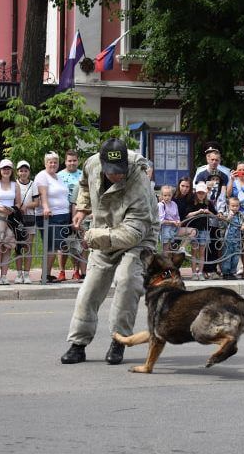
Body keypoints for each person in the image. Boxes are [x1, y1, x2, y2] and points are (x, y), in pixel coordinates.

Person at [60, 138, 160, 365]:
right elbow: (84, 186)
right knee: (90, 287)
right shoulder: (92, 164)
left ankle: (119, 341)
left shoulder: (140, 182)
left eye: (120, 171)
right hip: (105, 229)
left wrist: (92, 236)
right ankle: (78, 344)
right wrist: (83, 208)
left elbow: (132, 233)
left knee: (127, 281)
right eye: (111, 171)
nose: (117, 175)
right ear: (102, 164)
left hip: (138, 238)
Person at [35, 151, 71, 283]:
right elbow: (42, 194)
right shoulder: (42, 176)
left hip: (62, 215)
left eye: (55, 162)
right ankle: (45, 275)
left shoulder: (58, 176)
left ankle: (48, 274)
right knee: (50, 245)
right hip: (49, 216)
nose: (53, 164)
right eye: (50, 162)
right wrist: (45, 207)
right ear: (45, 163)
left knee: (55, 246)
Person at [0, 159, 21, 285]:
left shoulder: (15, 185)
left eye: (8, 168)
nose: (6, 171)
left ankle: (5, 275)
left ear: (11, 170)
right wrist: (1, 209)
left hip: (11, 217)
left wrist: (12, 210)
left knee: (7, 247)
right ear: (0, 170)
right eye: (4, 168)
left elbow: (18, 202)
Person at [57, 150, 84, 282]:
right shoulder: (58, 176)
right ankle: (61, 271)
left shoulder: (83, 175)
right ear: (65, 161)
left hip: (79, 211)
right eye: (69, 160)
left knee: (77, 244)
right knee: (62, 244)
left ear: (78, 161)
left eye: (74, 160)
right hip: (63, 212)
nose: (72, 163)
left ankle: (76, 271)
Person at [185, 182, 216, 280]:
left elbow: (215, 216)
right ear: (196, 193)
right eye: (199, 193)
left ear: (206, 193)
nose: (201, 195)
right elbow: (187, 215)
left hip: (204, 230)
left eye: (202, 193)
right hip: (194, 229)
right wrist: (198, 212)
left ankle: (200, 272)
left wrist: (208, 212)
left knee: (202, 252)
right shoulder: (191, 201)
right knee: (194, 251)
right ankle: (194, 273)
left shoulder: (209, 203)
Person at [14, 160, 37, 284]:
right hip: (17, 219)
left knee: (28, 246)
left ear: (29, 172)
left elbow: (36, 202)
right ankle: (18, 274)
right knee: (18, 246)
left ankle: (27, 274)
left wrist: (26, 206)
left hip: (29, 218)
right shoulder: (14, 184)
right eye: (21, 170)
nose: (23, 173)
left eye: (25, 170)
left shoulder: (33, 185)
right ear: (17, 172)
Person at [218, 197, 244, 280]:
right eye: (233, 206)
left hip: (237, 240)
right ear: (228, 206)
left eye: (237, 206)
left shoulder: (240, 215)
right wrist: (228, 218)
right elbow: (221, 224)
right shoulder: (225, 214)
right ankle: (225, 273)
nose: (235, 208)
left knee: (235, 257)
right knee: (227, 257)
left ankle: (232, 272)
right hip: (227, 240)